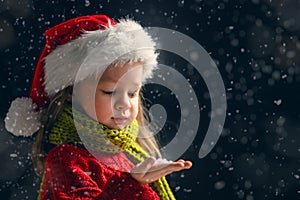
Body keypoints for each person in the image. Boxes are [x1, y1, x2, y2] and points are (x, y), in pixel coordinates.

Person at [4, 15, 192, 199]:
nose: (124, 104)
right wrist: (132, 184)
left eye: (132, 93)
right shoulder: (66, 159)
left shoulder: (132, 153)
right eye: (110, 92)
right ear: (72, 92)